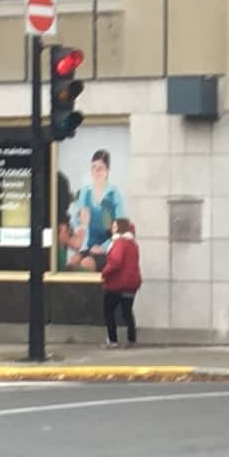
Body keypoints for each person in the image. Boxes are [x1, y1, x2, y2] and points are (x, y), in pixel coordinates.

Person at [69, 149, 126, 271]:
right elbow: (76, 221)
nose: (96, 171)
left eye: (100, 168)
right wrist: (80, 226)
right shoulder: (85, 192)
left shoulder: (114, 194)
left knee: (87, 263)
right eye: (93, 167)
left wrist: (104, 247)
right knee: (73, 261)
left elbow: (122, 229)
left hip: (107, 249)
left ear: (107, 171)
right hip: (88, 247)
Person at [101, 218, 141, 347]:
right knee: (127, 311)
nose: (111, 229)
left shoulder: (118, 243)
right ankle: (131, 339)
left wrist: (104, 272)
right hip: (131, 283)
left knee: (108, 310)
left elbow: (115, 262)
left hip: (117, 284)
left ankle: (112, 340)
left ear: (118, 228)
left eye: (113, 226)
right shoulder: (133, 244)